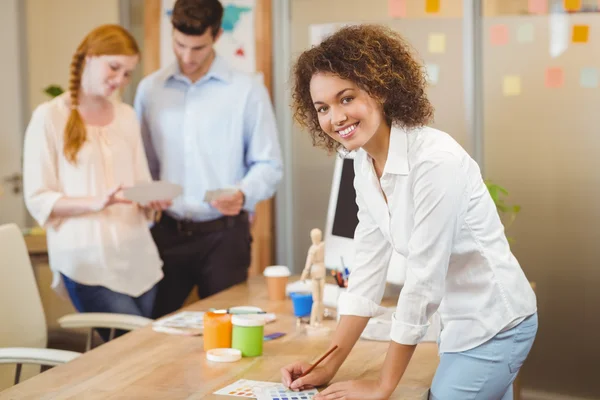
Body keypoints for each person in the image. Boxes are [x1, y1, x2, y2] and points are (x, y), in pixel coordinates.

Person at [281, 24, 538, 400]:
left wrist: (384, 385)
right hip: (456, 325)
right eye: (323, 107)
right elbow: (367, 272)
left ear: (380, 89)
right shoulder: (365, 168)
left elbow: (423, 281)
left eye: (346, 98)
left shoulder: (435, 161)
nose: (336, 117)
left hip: (495, 323)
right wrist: (328, 363)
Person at [134, 0, 283, 319]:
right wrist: (146, 193)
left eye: (197, 47)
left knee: (227, 330)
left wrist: (243, 193)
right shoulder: (150, 90)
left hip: (225, 236)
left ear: (216, 36)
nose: (187, 57)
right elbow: (142, 165)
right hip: (167, 233)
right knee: (155, 332)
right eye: (179, 44)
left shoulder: (247, 90)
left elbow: (269, 166)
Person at [23, 24, 170, 341]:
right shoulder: (49, 117)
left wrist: (152, 199)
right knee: (138, 349)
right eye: (114, 67)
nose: (120, 80)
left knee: (134, 362)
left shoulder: (127, 116)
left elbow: (140, 182)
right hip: (86, 260)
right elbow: (38, 197)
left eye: (128, 73)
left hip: (138, 258)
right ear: (89, 58)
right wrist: (96, 201)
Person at [300, 228, 326, 327]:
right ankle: (319, 321)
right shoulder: (323, 246)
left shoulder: (313, 249)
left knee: (316, 300)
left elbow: (308, 263)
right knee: (320, 300)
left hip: (316, 272)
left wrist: (304, 274)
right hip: (321, 271)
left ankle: (313, 322)